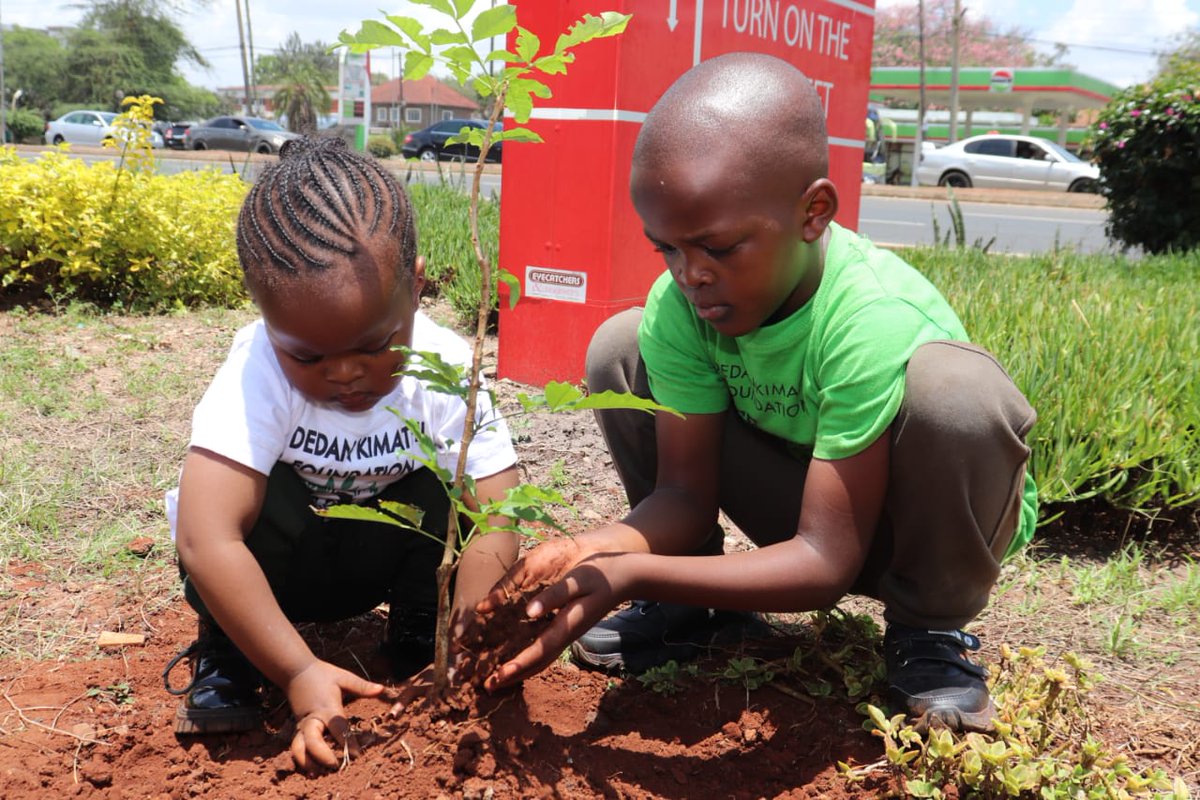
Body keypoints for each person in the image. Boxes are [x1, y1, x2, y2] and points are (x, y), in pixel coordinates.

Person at [478, 52, 1037, 733]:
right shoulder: (682, 307)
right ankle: (700, 604)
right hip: (808, 502)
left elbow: (827, 561)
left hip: (913, 528)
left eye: (720, 248)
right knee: (622, 348)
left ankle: (929, 634)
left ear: (813, 212)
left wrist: (632, 575)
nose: (692, 276)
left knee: (956, 395)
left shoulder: (869, 316)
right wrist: (590, 551)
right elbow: (682, 496)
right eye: (669, 250)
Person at [161, 137, 518, 769]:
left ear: (415, 286)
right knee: (236, 500)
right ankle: (233, 649)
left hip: (382, 561)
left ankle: (420, 630)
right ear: (264, 314)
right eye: (308, 356)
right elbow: (206, 540)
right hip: (280, 575)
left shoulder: (445, 370)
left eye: (377, 344)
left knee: (449, 481)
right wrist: (298, 671)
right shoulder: (255, 374)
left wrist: (465, 639)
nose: (347, 373)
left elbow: (497, 510)